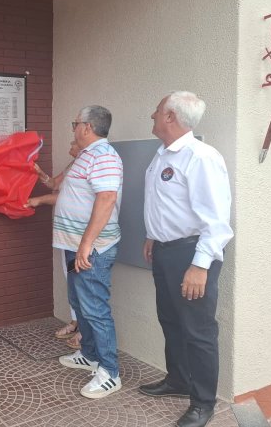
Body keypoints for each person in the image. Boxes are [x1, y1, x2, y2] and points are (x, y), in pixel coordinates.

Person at [139, 92, 233, 427]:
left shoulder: (201, 157)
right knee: (171, 320)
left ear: (171, 116)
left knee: (198, 331)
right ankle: (178, 380)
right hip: (165, 251)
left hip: (192, 255)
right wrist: (153, 234)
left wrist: (199, 265)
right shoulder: (163, 154)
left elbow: (217, 220)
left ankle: (203, 403)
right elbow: (167, 204)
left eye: (157, 110)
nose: (152, 114)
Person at [57, 105, 123, 399]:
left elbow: (106, 198)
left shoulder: (103, 155)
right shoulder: (86, 155)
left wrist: (86, 244)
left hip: (91, 249)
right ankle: (90, 355)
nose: (73, 129)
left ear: (87, 127)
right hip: (76, 247)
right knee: (80, 303)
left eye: (75, 123)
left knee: (95, 309)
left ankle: (110, 372)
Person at [25, 141, 82, 350]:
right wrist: (40, 173)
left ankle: (85, 332)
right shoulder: (73, 164)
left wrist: (39, 200)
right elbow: (54, 184)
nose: (71, 143)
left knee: (82, 284)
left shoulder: (88, 166)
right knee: (72, 281)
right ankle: (76, 322)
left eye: (75, 142)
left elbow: (64, 197)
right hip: (66, 236)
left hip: (80, 238)